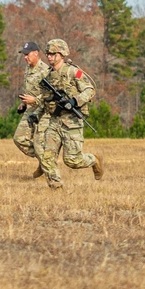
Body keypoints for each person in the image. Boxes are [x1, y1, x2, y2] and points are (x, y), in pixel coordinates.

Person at [37, 39, 103, 190]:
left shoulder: (74, 72)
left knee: (72, 160)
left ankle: (94, 160)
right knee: (47, 157)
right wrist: (37, 113)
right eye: (48, 54)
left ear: (62, 54)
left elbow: (89, 90)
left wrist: (74, 101)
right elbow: (44, 99)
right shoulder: (48, 76)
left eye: (53, 54)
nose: (49, 57)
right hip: (54, 120)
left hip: (71, 121)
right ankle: (56, 188)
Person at [13, 40, 49, 177]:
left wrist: (35, 100)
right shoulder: (28, 69)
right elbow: (30, 89)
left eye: (27, 54)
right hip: (30, 109)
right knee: (19, 138)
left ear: (36, 53)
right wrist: (24, 103)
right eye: (24, 54)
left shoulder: (45, 71)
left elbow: (50, 95)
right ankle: (44, 160)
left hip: (44, 111)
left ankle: (47, 168)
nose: (25, 57)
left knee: (40, 144)